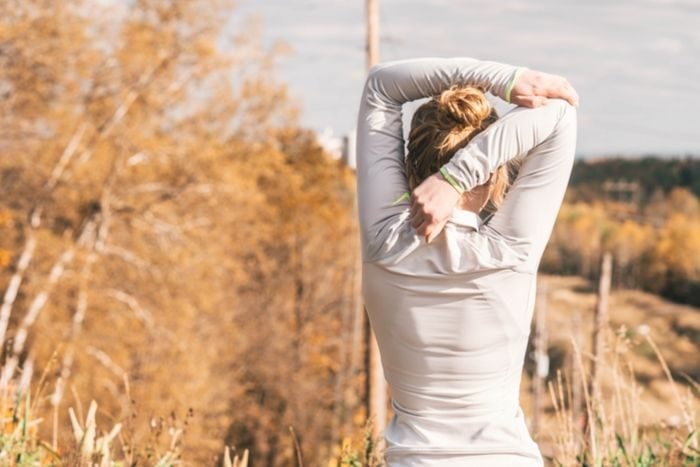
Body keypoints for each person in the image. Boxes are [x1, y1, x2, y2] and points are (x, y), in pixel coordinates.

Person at [355, 57, 578, 466]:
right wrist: (457, 178)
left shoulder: (383, 241)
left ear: (408, 166)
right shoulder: (509, 252)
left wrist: (506, 81)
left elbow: (382, 86)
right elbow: (560, 116)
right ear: (494, 174)